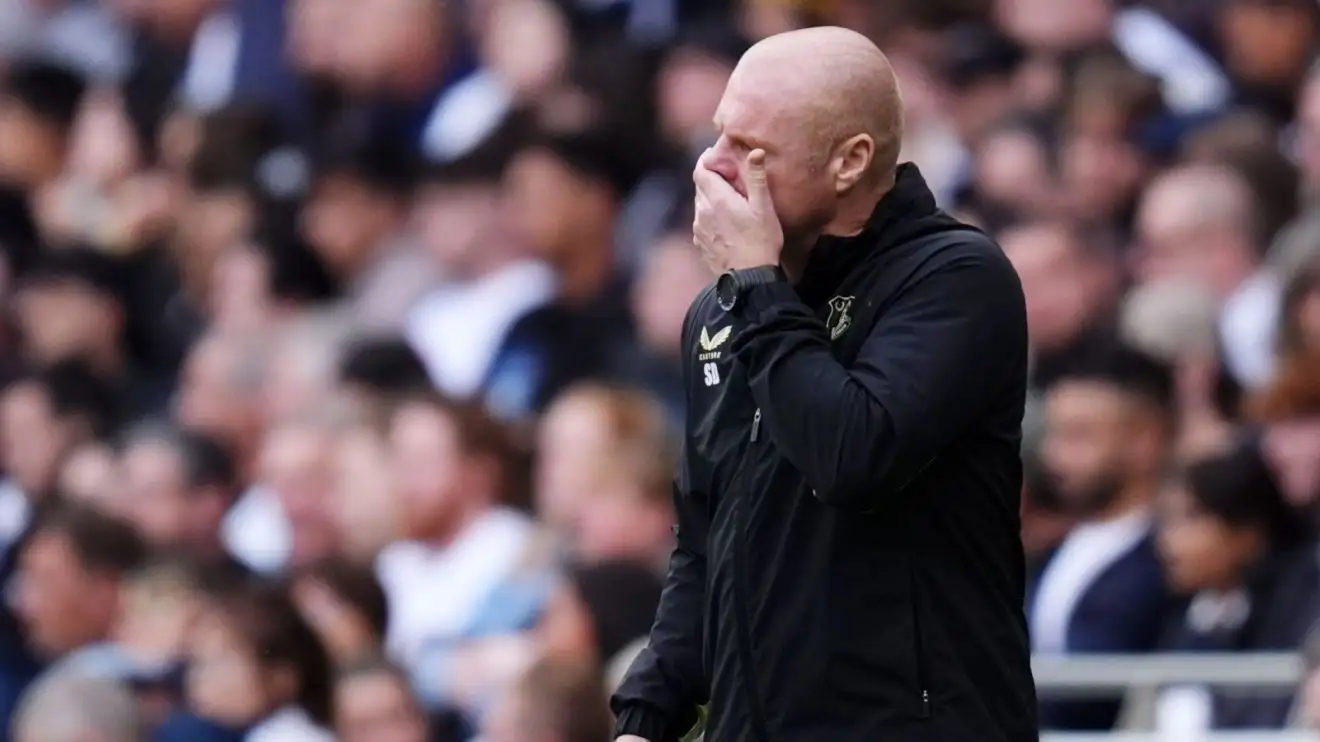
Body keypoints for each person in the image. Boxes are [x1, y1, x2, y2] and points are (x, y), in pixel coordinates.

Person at [611, 26, 1036, 742]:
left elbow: (852, 454)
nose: (712, 167)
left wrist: (754, 282)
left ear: (850, 160)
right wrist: (645, 719)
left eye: (751, 151)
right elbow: (706, 542)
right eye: (717, 136)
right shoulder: (722, 312)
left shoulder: (954, 278)